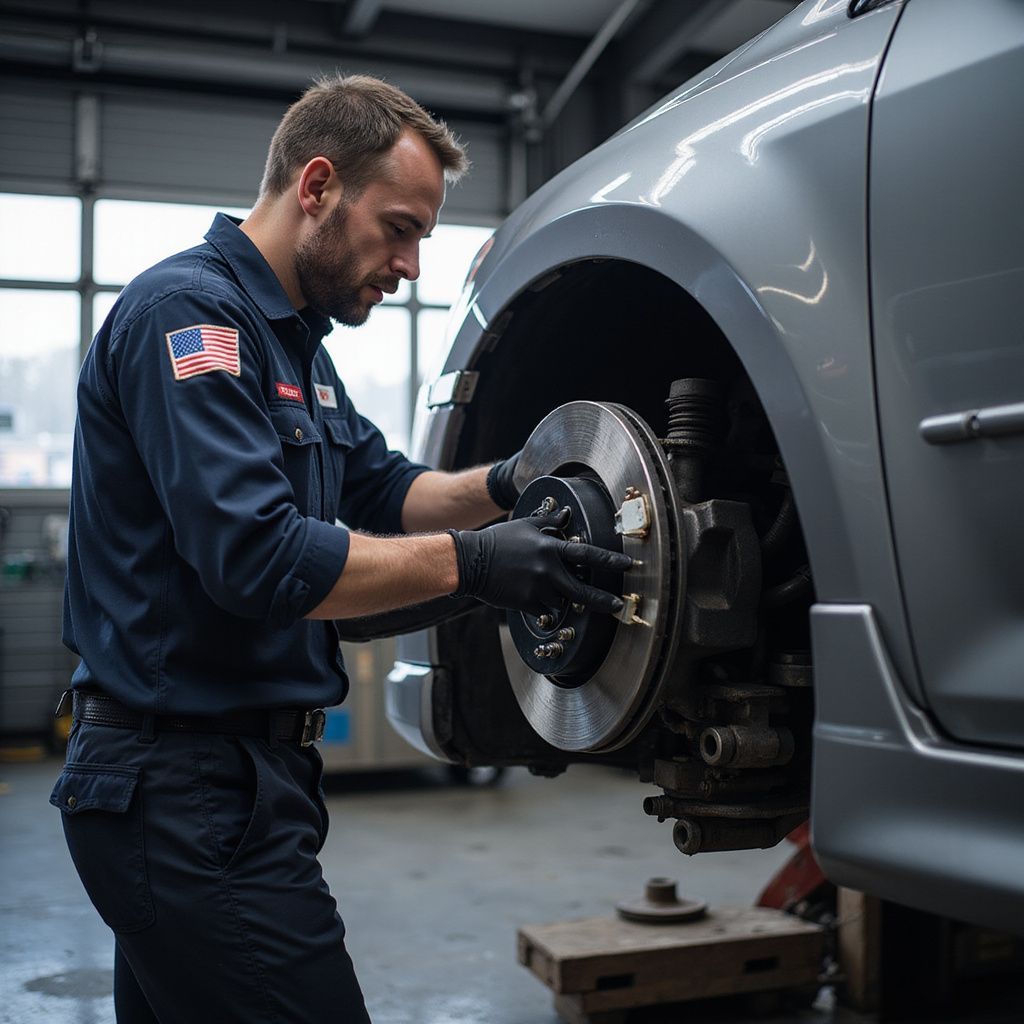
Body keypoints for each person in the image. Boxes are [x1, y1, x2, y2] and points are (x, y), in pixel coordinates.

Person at [51, 74, 631, 1023]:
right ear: (316, 186)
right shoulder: (190, 320)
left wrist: (516, 479)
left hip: (239, 785)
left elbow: (391, 491)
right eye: (398, 227)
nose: (409, 266)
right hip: (182, 792)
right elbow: (261, 558)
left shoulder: (299, 353)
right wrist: (481, 565)